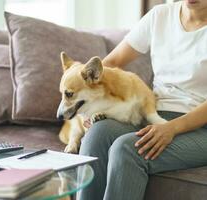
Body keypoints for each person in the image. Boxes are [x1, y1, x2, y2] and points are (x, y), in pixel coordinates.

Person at [78, 0, 207, 200]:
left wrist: (172, 128)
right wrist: (92, 103)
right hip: (155, 113)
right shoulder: (160, 16)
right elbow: (111, 63)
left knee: (127, 149)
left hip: (200, 127)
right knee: (98, 134)